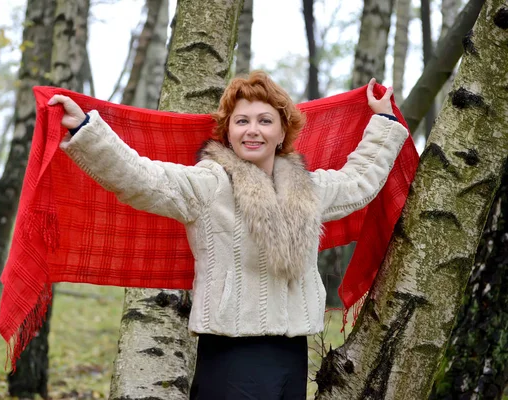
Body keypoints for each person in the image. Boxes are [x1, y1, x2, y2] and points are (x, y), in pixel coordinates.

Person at [48, 71, 408, 399]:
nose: (253, 130)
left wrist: (384, 120)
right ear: (229, 131)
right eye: (242, 121)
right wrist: (85, 130)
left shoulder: (307, 188)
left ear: (283, 131)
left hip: (292, 355)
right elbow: (142, 178)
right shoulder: (209, 183)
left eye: (265, 120)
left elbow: (360, 180)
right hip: (231, 357)